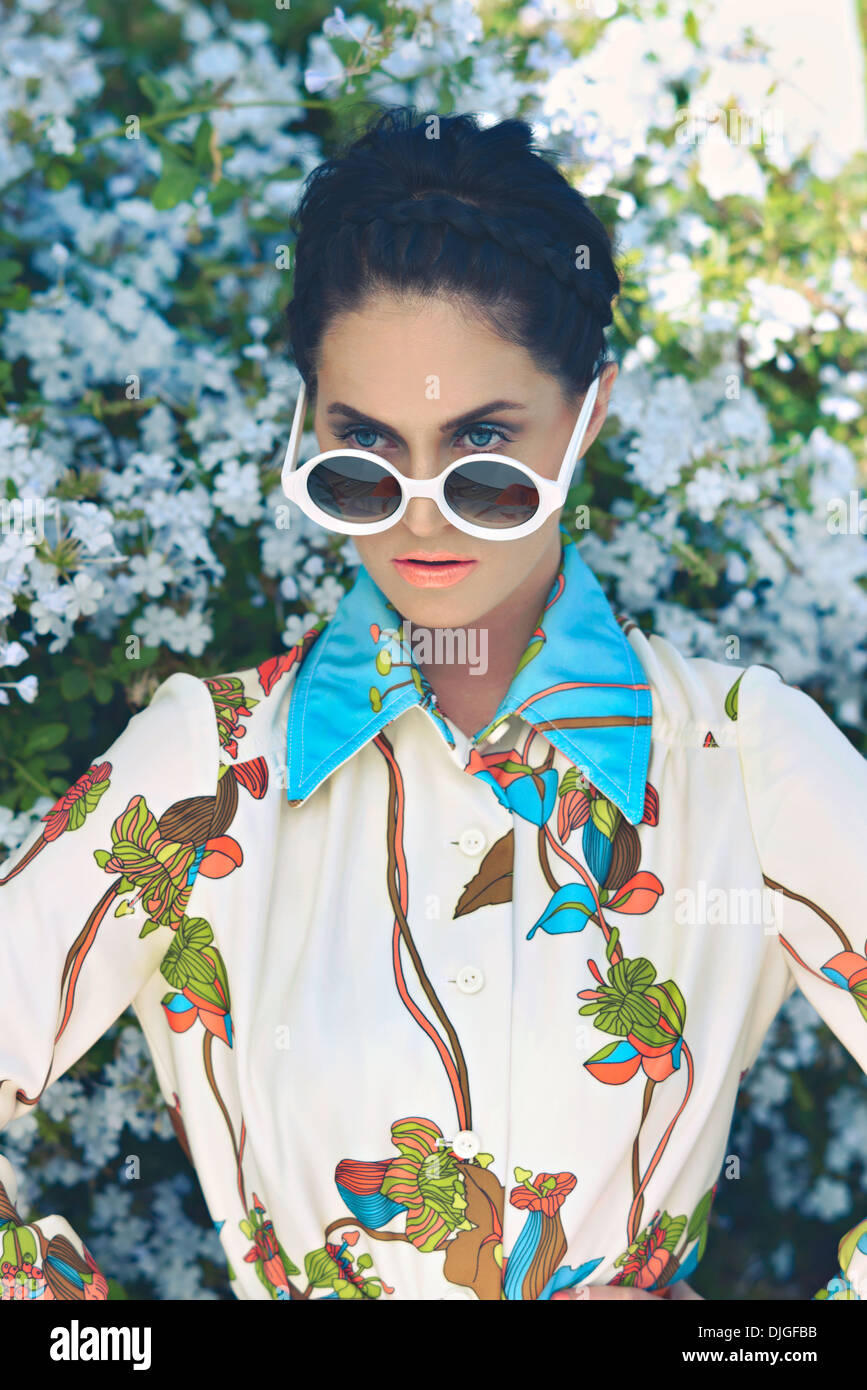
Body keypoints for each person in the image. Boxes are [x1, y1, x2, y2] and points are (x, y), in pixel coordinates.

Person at [1, 104, 864, 1303]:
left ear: (591, 414)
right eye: (362, 452)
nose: (419, 513)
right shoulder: (210, 765)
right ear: (307, 423)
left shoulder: (740, 753)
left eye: (485, 455)